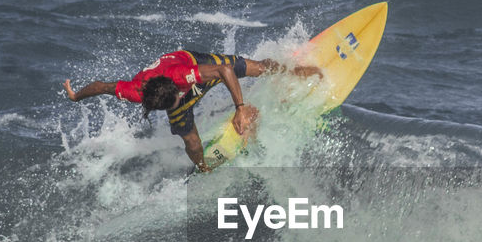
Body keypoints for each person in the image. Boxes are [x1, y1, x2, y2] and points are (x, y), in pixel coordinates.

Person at [64, 49, 317, 172]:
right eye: (171, 105)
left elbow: (224, 72)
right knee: (192, 143)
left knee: (259, 68)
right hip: (173, 95)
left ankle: (295, 71)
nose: (179, 102)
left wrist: (239, 108)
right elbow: (101, 87)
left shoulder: (182, 75)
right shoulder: (134, 91)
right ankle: (203, 168)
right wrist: (76, 96)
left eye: (176, 99)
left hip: (197, 66)